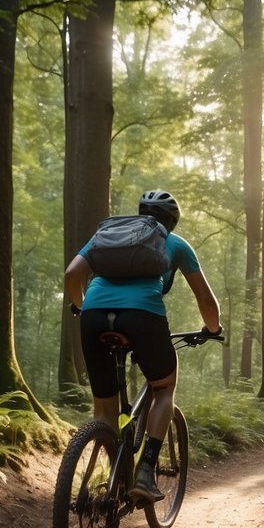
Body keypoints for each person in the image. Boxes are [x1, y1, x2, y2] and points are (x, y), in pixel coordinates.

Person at [64, 190, 222, 503]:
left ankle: (107, 482)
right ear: (172, 222)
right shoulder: (174, 243)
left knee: (104, 410)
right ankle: (145, 473)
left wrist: (84, 307)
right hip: (143, 316)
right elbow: (205, 299)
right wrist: (212, 329)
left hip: (93, 316)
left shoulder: (106, 235)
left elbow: (71, 274)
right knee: (164, 388)